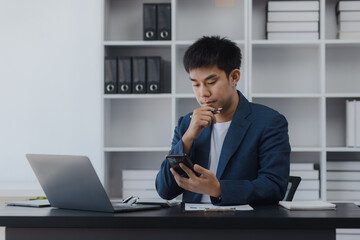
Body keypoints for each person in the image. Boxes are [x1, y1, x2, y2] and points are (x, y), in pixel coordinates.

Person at [155, 36, 290, 205]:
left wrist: (218, 189)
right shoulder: (186, 124)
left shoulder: (269, 122)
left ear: (234, 77)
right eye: (196, 85)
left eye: (211, 82)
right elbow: (164, 190)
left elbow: (274, 186)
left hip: (242, 226)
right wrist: (188, 138)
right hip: (192, 225)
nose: (203, 93)